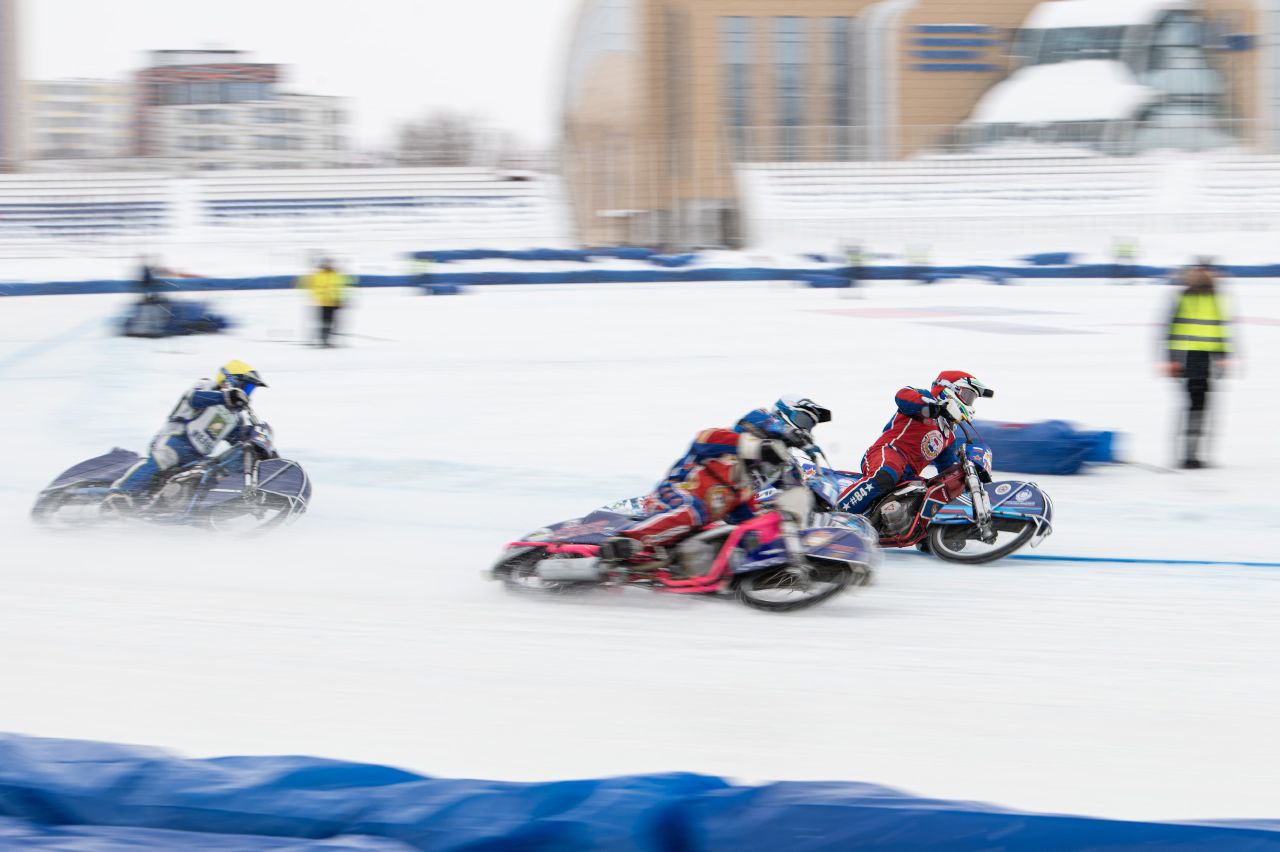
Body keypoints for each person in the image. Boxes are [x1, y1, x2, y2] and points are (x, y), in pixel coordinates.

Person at [598, 426, 808, 566]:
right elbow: (703, 439)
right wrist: (759, 447)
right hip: (670, 495)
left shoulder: (743, 493)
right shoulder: (725, 451)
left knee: (726, 533)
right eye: (769, 465)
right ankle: (627, 542)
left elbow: (746, 525)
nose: (766, 472)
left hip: (692, 524)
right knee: (694, 510)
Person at [104, 361, 268, 510]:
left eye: (250, 390)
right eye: (247, 388)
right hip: (175, 440)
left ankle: (181, 511)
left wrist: (258, 440)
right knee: (163, 460)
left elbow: (238, 440)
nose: (248, 394)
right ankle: (119, 494)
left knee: (205, 478)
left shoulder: (235, 418)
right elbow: (194, 398)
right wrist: (226, 397)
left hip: (197, 457)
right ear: (231, 380)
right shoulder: (207, 386)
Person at [837, 371, 994, 515]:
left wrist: (964, 477)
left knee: (928, 496)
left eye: (972, 399)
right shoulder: (924, 400)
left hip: (908, 474)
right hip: (887, 453)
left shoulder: (948, 435)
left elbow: (947, 467)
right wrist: (932, 406)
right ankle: (836, 514)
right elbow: (902, 395)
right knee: (886, 475)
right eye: (967, 395)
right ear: (948, 388)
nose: (969, 402)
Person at [1165, 261, 1232, 469]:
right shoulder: (1192, 298)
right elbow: (1174, 331)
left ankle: (1192, 455)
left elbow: (1218, 330)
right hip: (1192, 358)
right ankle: (1190, 456)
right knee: (1197, 407)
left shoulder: (1212, 298)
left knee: (1199, 407)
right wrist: (1173, 360)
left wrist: (1222, 356)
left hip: (1200, 359)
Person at [736, 395, 832, 448]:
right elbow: (744, 424)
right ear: (782, 412)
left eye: (808, 426)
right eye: (802, 420)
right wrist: (789, 431)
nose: (804, 429)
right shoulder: (760, 415)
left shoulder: (783, 450)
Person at [297, 257, 353, 347]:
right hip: (321, 303)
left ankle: (328, 339)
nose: (329, 266)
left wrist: (342, 300)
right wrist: (313, 297)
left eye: (330, 264)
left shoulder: (336, 275)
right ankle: (322, 340)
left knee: (332, 322)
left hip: (334, 302)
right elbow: (307, 286)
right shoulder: (317, 275)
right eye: (327, 264)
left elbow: (341, 288)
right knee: (322, 322)